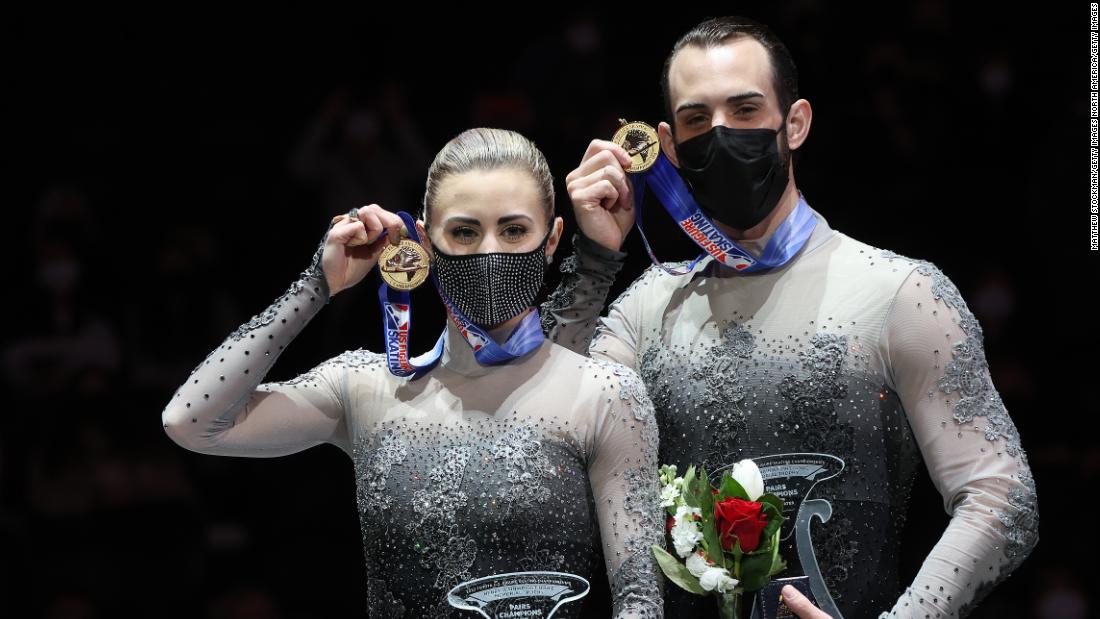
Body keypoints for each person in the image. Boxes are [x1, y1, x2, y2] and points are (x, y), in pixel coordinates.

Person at [540, 17, 1038, 619]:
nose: (721, 135)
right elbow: (549, 452)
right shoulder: (647, 309)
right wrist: (594, 259)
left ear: (795, 123)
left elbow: (1000, 495)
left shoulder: (901, 292)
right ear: (668, 147)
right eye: (698, 120)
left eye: (745, 110)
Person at [162, 128, 664, 618]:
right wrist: (317, 285)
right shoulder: (364, 387)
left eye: (513, 230)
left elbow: (640, 602)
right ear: (424, 239)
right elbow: (190, 421)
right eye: (464, 232)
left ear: (552, 238)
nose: (488, 250)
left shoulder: (603, 392)